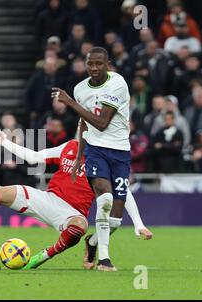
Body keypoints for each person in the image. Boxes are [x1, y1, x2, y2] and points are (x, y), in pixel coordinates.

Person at [0, 132, 152, 270]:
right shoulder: (70, 147)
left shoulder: (107, 160)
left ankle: (41, 257)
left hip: (72, 212)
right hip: (48, 199)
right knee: (0, 192)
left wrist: (139, 223)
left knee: (79, 228)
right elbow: (34, 157)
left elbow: (124, 192)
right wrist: (5, 143)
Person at [52, 46, 132, 271]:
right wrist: (79, 155)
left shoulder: (117, 83)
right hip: (95, 150)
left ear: (108, 64)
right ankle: (105, 261)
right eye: (91, 64)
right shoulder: (80, 89)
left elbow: (102, 122)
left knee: (115, 220)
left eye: (99, 64)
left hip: (119, 151)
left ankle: (93, 241)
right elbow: (84, 123)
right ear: (86, 64)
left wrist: (69, 102)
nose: (94, 68)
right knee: (104, 201)